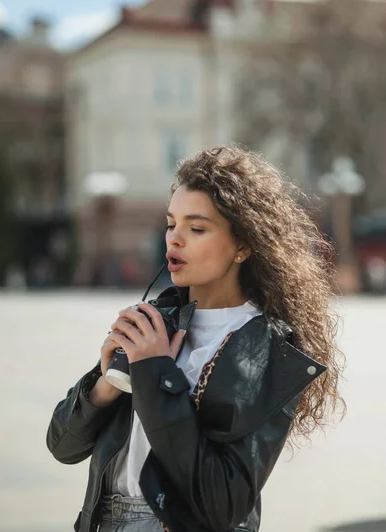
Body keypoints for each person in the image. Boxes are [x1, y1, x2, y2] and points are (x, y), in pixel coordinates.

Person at [46, 146, 345, 532]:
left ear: (243, 245)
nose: (175, 239)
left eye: (197, 228)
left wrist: (156, 376)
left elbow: (221, 504)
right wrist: (105, 385)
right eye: (171, 224)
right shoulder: (158, 322)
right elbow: (62, 447)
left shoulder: (268, 350)